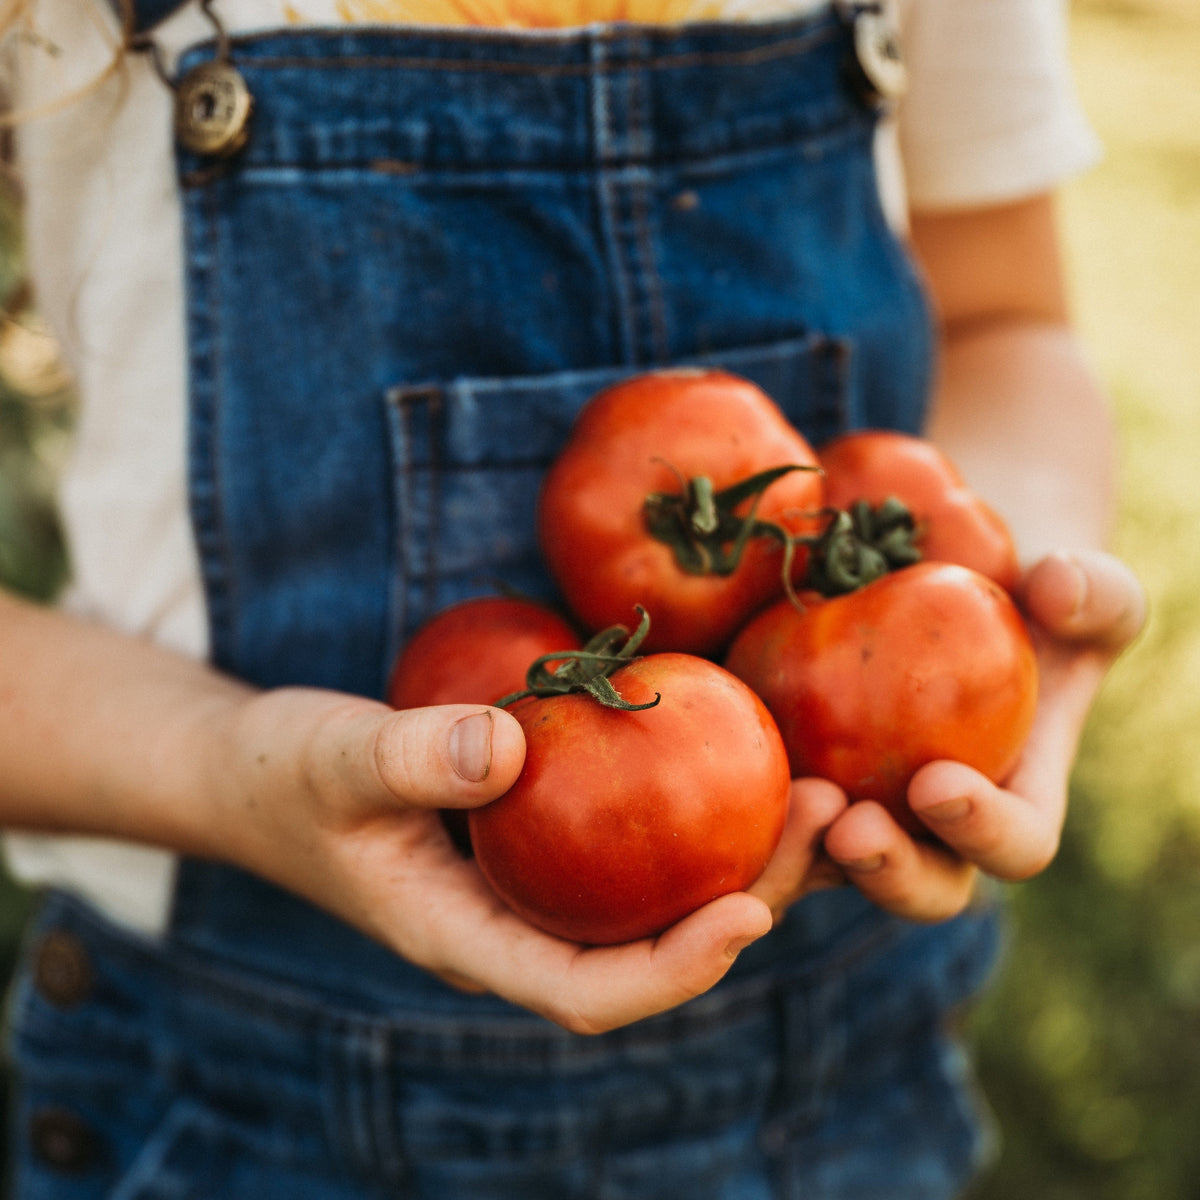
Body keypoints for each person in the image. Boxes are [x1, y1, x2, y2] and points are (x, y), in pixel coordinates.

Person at [0, 0, 1145, 1196]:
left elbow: (1006, 316)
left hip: (843, 1059)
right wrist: (225, 765)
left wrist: (1009, 607)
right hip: (239, 1082)